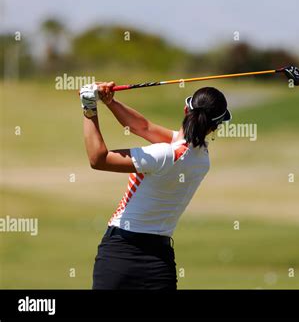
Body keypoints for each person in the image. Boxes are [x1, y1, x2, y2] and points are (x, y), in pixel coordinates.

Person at [79, 81, 231, 289]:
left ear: (186, 109)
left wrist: (89, 107)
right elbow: (143, 127)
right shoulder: (202, 159)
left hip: (118, 255)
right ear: (215, 127)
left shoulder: (165, 154)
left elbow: (98, 159)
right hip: (159, 263)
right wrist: (110, 102)